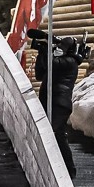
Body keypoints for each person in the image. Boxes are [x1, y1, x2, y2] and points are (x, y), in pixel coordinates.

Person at [34, 36, 82, 178]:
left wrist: (46, 50)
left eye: (62, 47)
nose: (59, 49)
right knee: (58, 136)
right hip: (51, 102)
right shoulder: (60, 62)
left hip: (58, 104)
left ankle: (65, 169)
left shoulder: (71, 62)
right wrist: (41, 53)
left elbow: (51, 64)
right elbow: (39, 74)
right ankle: (68, 169)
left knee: (51, 134)